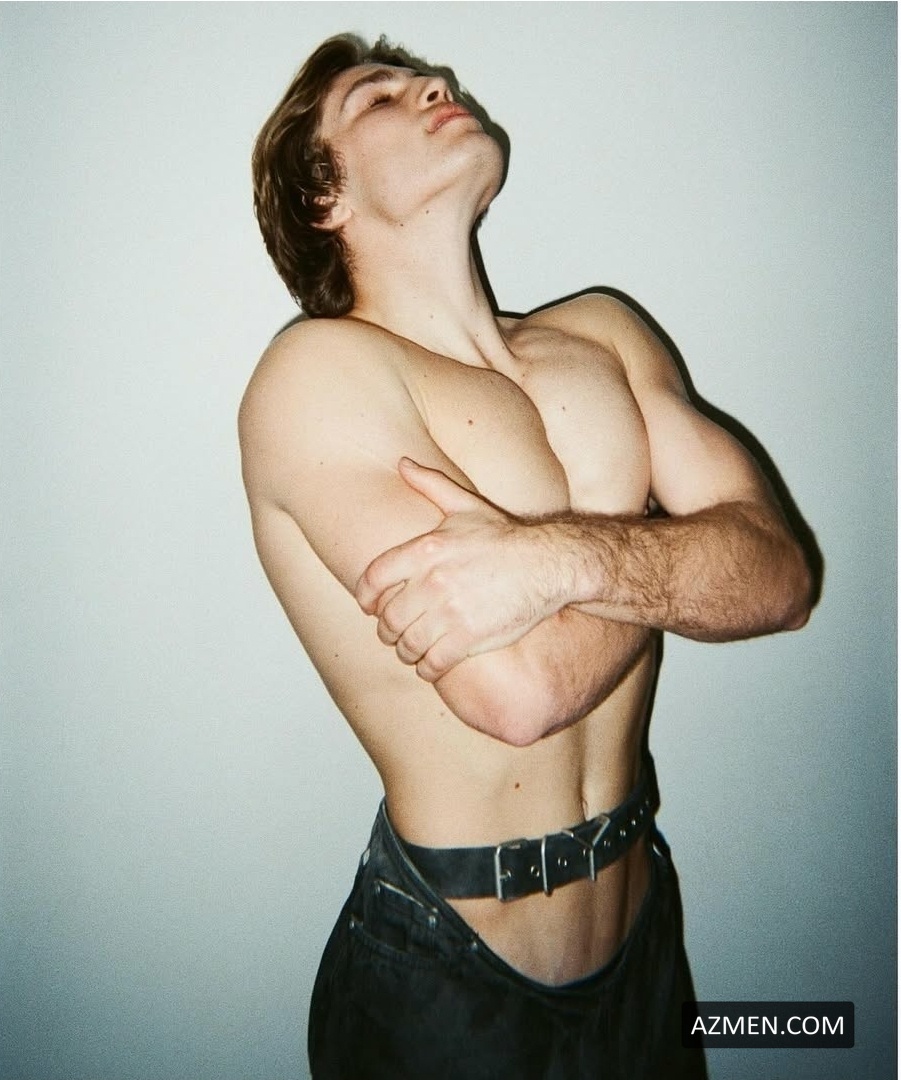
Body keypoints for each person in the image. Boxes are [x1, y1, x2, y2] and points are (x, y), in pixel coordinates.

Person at [240, 33, 813, 1080]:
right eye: (378, 98)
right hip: (448, 977)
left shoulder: (603, 332)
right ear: (323, 197)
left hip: (644, 939)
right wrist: (677, 539)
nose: (436, 84)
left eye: (429, 78)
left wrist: (553, 561)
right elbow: (518, 692)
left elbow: (782, 578)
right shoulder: (318, 375)